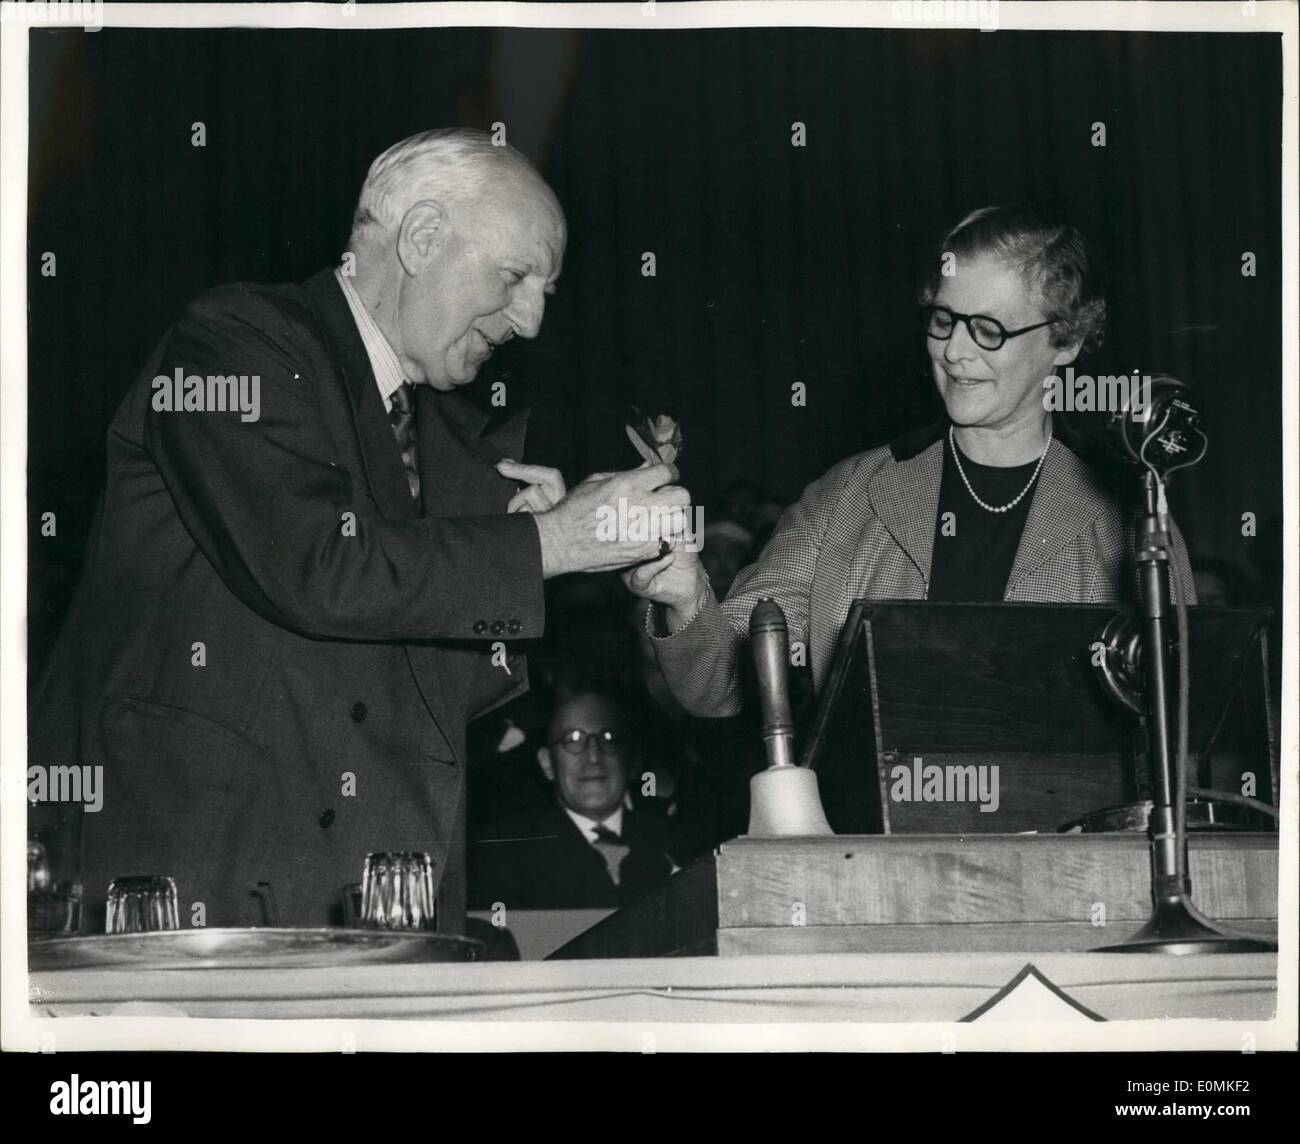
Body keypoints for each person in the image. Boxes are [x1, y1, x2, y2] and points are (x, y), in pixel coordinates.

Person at [29, 128, 688, 932]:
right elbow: (318, 567)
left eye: (544, 291)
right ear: (421, 237)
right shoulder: (231, 343)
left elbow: (417, 683)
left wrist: (569, 555)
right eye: (517, 277)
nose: (532, 320)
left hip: (383, 898)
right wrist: (550, 543)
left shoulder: (454, 439)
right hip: (192, 878)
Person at [624, 205, 1195, 717]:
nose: (954, 350)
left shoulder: (1129, 515)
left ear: (1066, 342)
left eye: (988, 329)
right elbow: (719, 686)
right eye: (944, 320)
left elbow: (1185, 711)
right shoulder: (849, 495)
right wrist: (688, 598)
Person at [468, 691, 684, 909]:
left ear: (630, 758)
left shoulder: (674, 842)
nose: (593, 756)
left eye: (608, 738)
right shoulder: (504, 853)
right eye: (573, 739)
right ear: (547, 763)